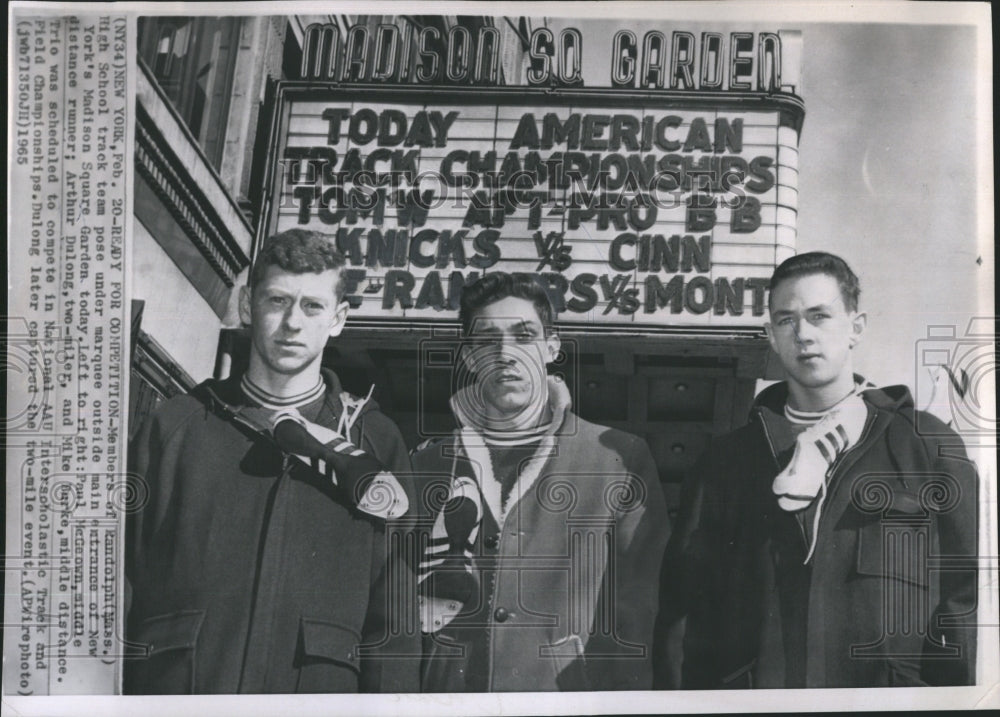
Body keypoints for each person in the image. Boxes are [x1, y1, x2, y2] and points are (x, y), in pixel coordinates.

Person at [654, 251, 978, 689]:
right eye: (786, 320)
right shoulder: (724, 464)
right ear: (770, 334)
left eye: (819, 316)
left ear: (856, 327)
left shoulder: (927, 447)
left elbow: (961, 603)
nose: (803, 334)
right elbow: (683, 614)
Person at [125, 229, 420, 694]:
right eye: (277, 301)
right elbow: (118, 582)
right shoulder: (176, 426)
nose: (293, 323)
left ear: (339, 319)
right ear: (247, 306)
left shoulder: (375, 441)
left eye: (312, 306)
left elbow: (393, 623)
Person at [411, 272, 670, 692]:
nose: (505, 353)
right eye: (487, 339)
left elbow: (639, 611)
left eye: (524, 335)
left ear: (551, 348)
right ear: (469, 356)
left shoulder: (618, 457)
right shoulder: (426, 463)